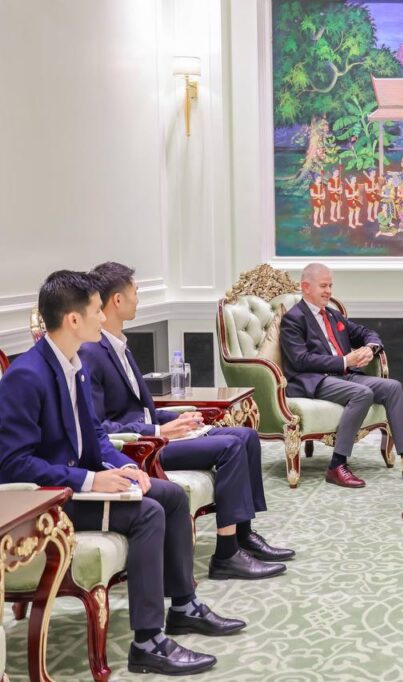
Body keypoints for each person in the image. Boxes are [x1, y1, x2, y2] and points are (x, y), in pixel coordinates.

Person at [0, 270, 245, 676]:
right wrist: (90, 480)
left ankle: (184, 606)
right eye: (96, 310)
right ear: (73, 319)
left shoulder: (74, 364)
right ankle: (147, 642)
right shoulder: (26, 376)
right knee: (147, 514)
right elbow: (12, 464)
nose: (103, 317)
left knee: (169, 495)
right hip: (49, 503)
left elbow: (95, 436)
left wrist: (124, 466)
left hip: (80, 487)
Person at [80, 262, 292, 580]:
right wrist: (158, 430)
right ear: (117, 300)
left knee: (246, 436)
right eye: (135, 292)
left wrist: (180, 418)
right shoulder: (92, 353)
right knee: (230, 447)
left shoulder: (119, 344)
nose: (138, 298)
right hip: (141, 447)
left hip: (157, 433)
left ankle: (243, 535)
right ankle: (226, 555)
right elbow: (100, 426)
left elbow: (141, 408)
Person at [278, 263, 403, 488]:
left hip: (344, 376)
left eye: (330, 285)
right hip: (314, 380)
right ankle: (337, 465)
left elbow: (366, 332)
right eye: (323, 286)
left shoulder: (333, 315)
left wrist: (370, 348)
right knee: (362, 393)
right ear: (306, 287)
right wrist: (345, 361)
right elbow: (300, 360)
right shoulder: (293, 319)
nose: (329, 291)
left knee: (393, 387)